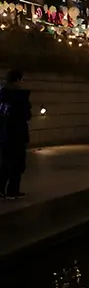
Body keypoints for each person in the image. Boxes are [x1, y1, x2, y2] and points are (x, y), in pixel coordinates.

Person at [0, 69, 32, 200]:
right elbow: (26, 115)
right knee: (18, 163)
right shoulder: (20, 96)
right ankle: (13, 190)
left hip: (4, 133)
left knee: (5, 162)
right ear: (18, 80)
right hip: (17, 133)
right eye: (22, 79)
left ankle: (1, 189)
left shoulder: (2, 94)